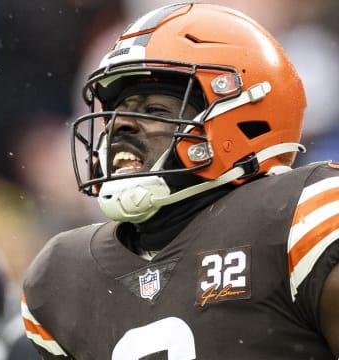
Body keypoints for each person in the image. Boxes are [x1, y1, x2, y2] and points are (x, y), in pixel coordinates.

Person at [21, 3, 339, 359]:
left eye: (154, 110)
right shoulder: (65, 275)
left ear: (242, 119)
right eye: (115, 113)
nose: (119, 127)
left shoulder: (304, 218)